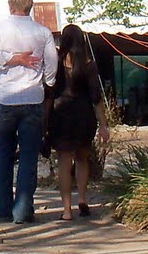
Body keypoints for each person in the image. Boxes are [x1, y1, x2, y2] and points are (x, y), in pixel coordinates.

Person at [0, 0, 58, 224]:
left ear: (10, 6)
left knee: (4, 155)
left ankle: (4, 209)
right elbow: (52, 63)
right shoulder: (42, 32)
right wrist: (48, 82)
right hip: (33, 98)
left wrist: (11, 59)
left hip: (6, 98)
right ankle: (23, 210)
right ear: (30, 8)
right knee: (28, 157)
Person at [47, 23, 110, 221]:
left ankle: (67, 210)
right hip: (84, 115)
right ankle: (82, 198)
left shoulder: (57, 63)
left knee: (64, 163)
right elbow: (96, 97)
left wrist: (44, 120)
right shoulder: (89, 63)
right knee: (82, 158)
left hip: (61, 114)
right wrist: (104, 125)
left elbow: (49, 93)